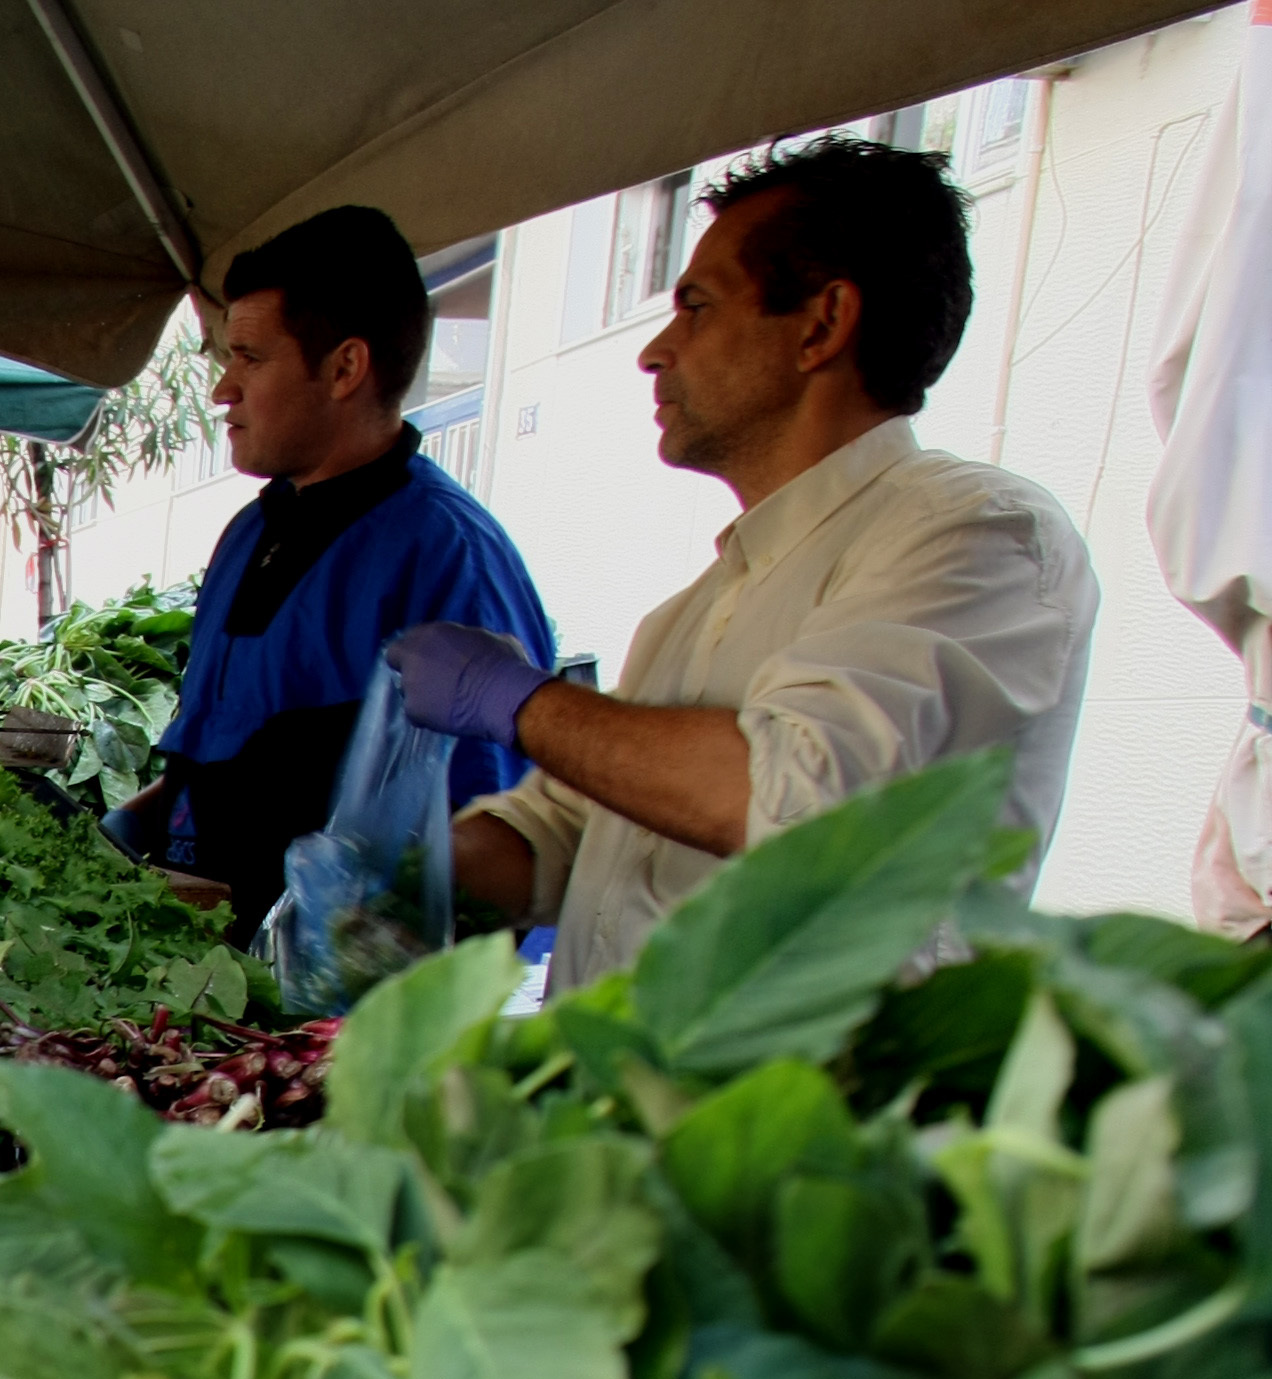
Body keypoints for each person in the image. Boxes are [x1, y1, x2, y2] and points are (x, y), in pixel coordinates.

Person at [394, 138, 1099, 986]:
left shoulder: (978, 532)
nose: (656, 351)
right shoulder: (698, 608)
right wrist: (410, 877)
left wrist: (520, 701)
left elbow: (799, 799)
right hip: (618, 1066)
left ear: (821, 325)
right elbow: (570, 831)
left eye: (697, 307)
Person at [103, 206, 552, 940]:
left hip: (322, 997)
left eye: (250, 358)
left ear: (345, 368)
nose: (222, 389)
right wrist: (129, 823)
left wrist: (332, 951)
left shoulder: (448, 557)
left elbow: (496, 842)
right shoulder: (249, 533)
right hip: (190, 968)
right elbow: (220, 753)